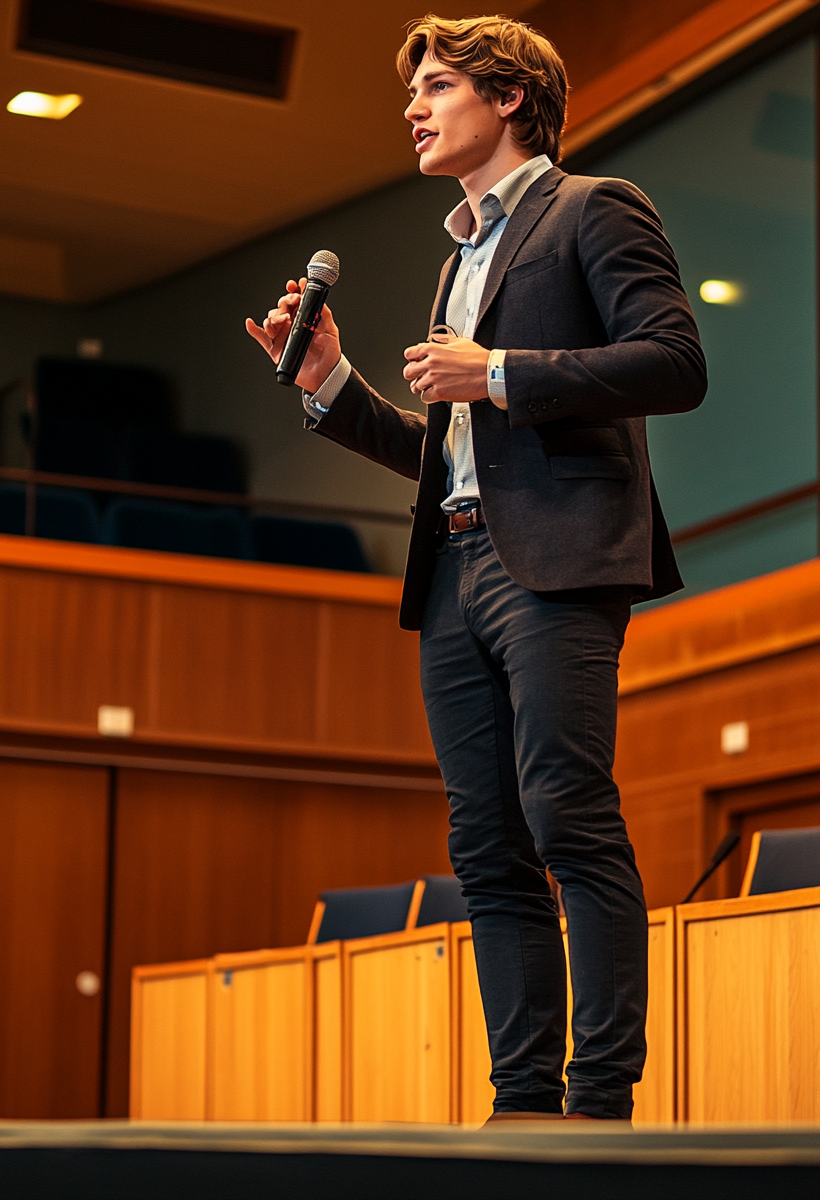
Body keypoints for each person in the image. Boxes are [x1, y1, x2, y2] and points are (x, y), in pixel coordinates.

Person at [246, 13, 705, 1121]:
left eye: (438, 85)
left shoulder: (594, 208)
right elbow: (447, 454)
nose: (414, 107)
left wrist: (496, 368)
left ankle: (599, 1101)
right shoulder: (458, 258)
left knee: (567, 816)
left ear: (509, 98)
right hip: (452, 568)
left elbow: (675, 361)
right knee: (486, 846)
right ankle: (521, 1106)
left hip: (557, 563)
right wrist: (329, 381)